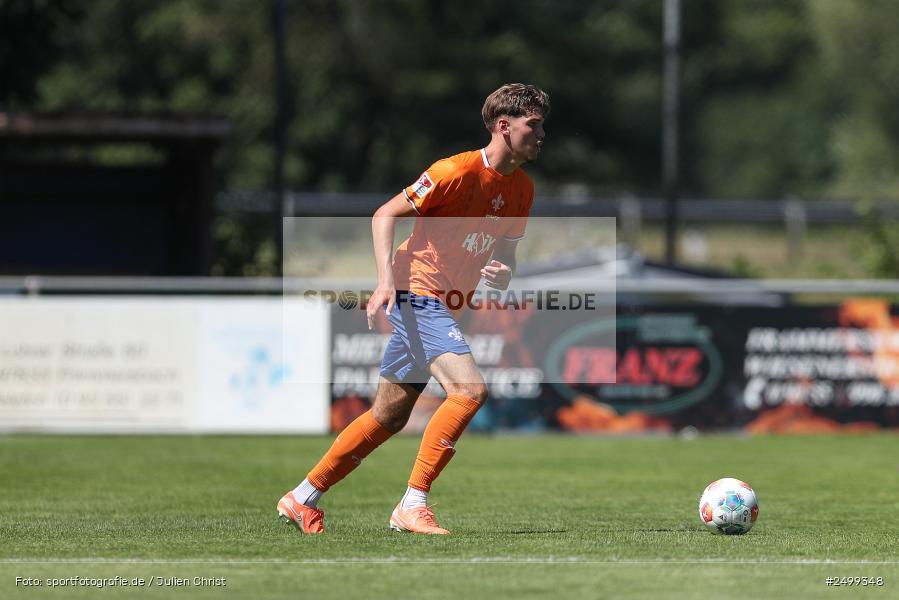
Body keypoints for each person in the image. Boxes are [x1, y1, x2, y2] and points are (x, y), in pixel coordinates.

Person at [277, 83, 550, 535]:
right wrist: (386, 281)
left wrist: (505, 272)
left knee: (388, 416)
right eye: (534, 125)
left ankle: (301, 497)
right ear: (504, 126)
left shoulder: (522, 189)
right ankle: (412, 503)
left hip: (446, 305)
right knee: (469, 391)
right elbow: (384, 214)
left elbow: (508, 255)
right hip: (415, 293)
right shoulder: (453, 171)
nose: (542, 135)